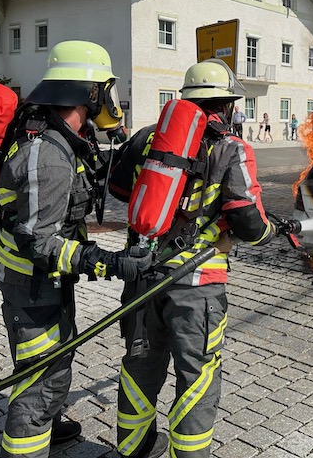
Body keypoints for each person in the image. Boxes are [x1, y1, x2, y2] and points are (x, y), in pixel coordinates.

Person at [0, 40, 153, 458]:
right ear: (90, 92)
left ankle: (46, 424)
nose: (109, 100)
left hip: (44, 277)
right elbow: (40, 242)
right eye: (106, 89)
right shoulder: (49, 155)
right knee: (41, 380)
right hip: (30, 281)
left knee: (53, 359)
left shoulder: (62, 138)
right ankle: (27, 442)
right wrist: (110, 263)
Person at [113, 59, 276, 458]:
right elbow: (249, 223)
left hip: (142, 276)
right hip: (196, 285)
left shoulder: (148, 137)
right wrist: (270, 231)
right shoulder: (231, 147)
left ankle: (135, 449)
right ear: (226, 105)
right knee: (197, 376)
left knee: (140, 363)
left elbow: (118, 190)